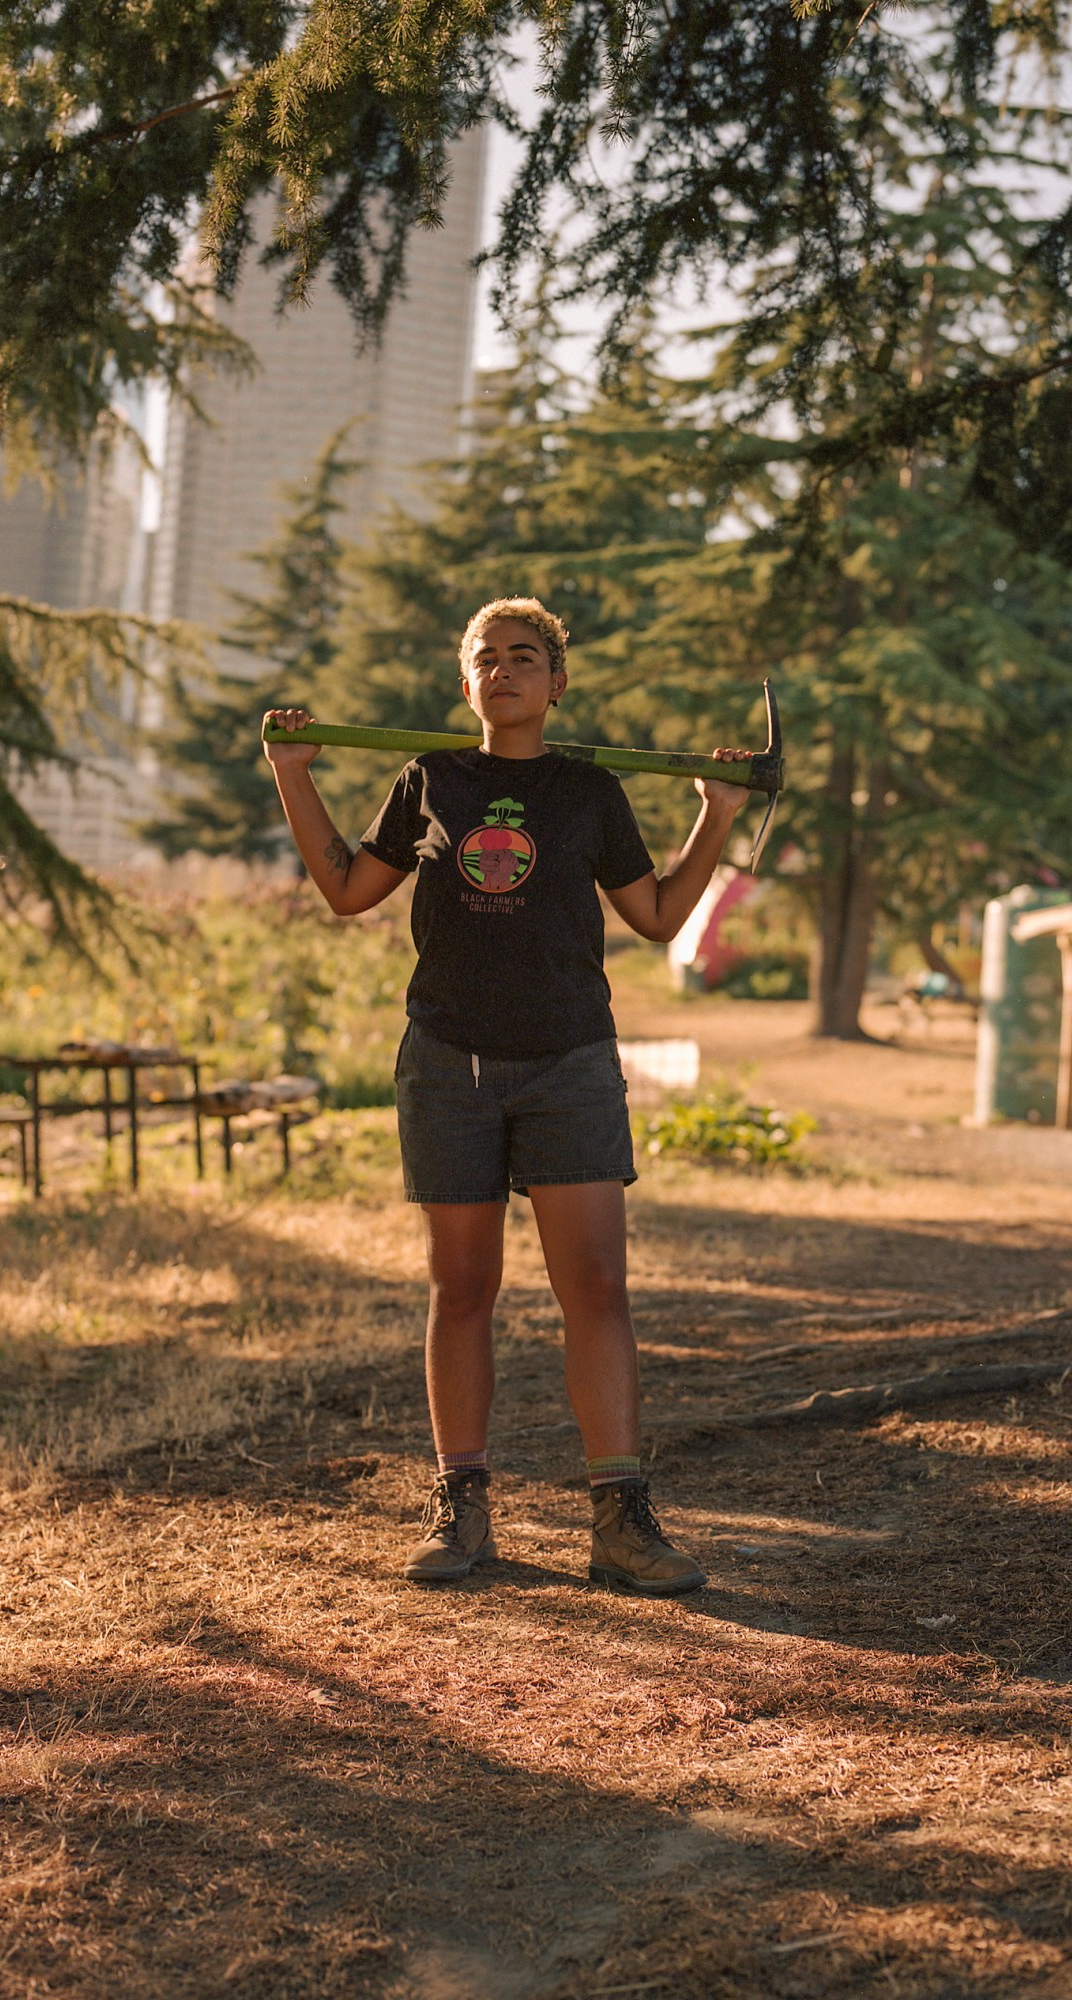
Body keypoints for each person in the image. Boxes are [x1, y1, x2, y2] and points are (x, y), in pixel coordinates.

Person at [264, 598, 753, 1594]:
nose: (504, 670)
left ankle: (618, 1518)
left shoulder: (586, 789)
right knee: (461, 1287)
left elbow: (657, 914)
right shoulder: (429, 778)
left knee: (596, 1289)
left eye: (524, 656)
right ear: (465, 683)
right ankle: (462, 1503)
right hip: (447, 1061)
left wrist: (716, 812)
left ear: (556, 681)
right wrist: (290, 776)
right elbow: (349, 889)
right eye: (484, 658)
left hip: (568, 1057)